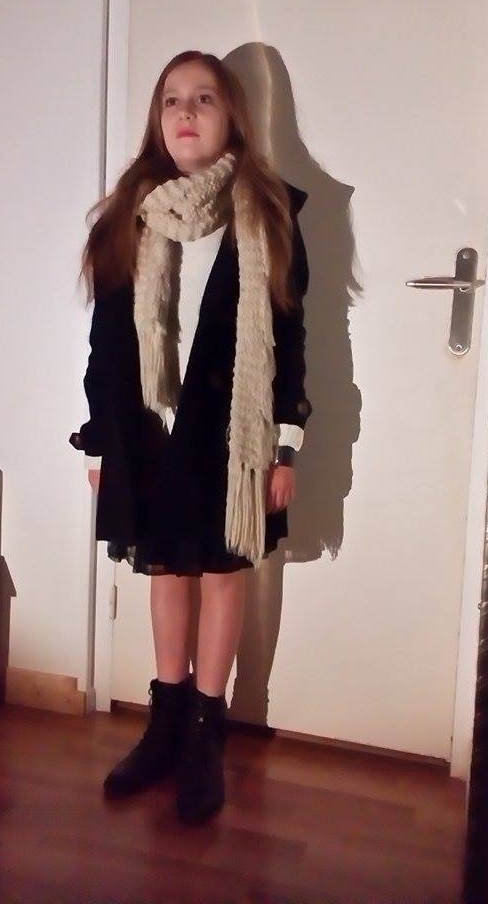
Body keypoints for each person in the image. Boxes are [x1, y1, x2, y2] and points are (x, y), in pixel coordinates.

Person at [71, 50, 312, 825]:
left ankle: (208, 733)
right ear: (157, 118)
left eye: (204, 98)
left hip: (229, 437)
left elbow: (290, 337)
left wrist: (284, 447)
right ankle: (166, 723)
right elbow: (107, 347)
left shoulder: (267, 213)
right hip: (150, 432)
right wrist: (101, 443)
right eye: (172, 98)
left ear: (231, 116)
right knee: (166, 569)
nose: (185, 111)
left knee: (222, 572)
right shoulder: (129, 217)